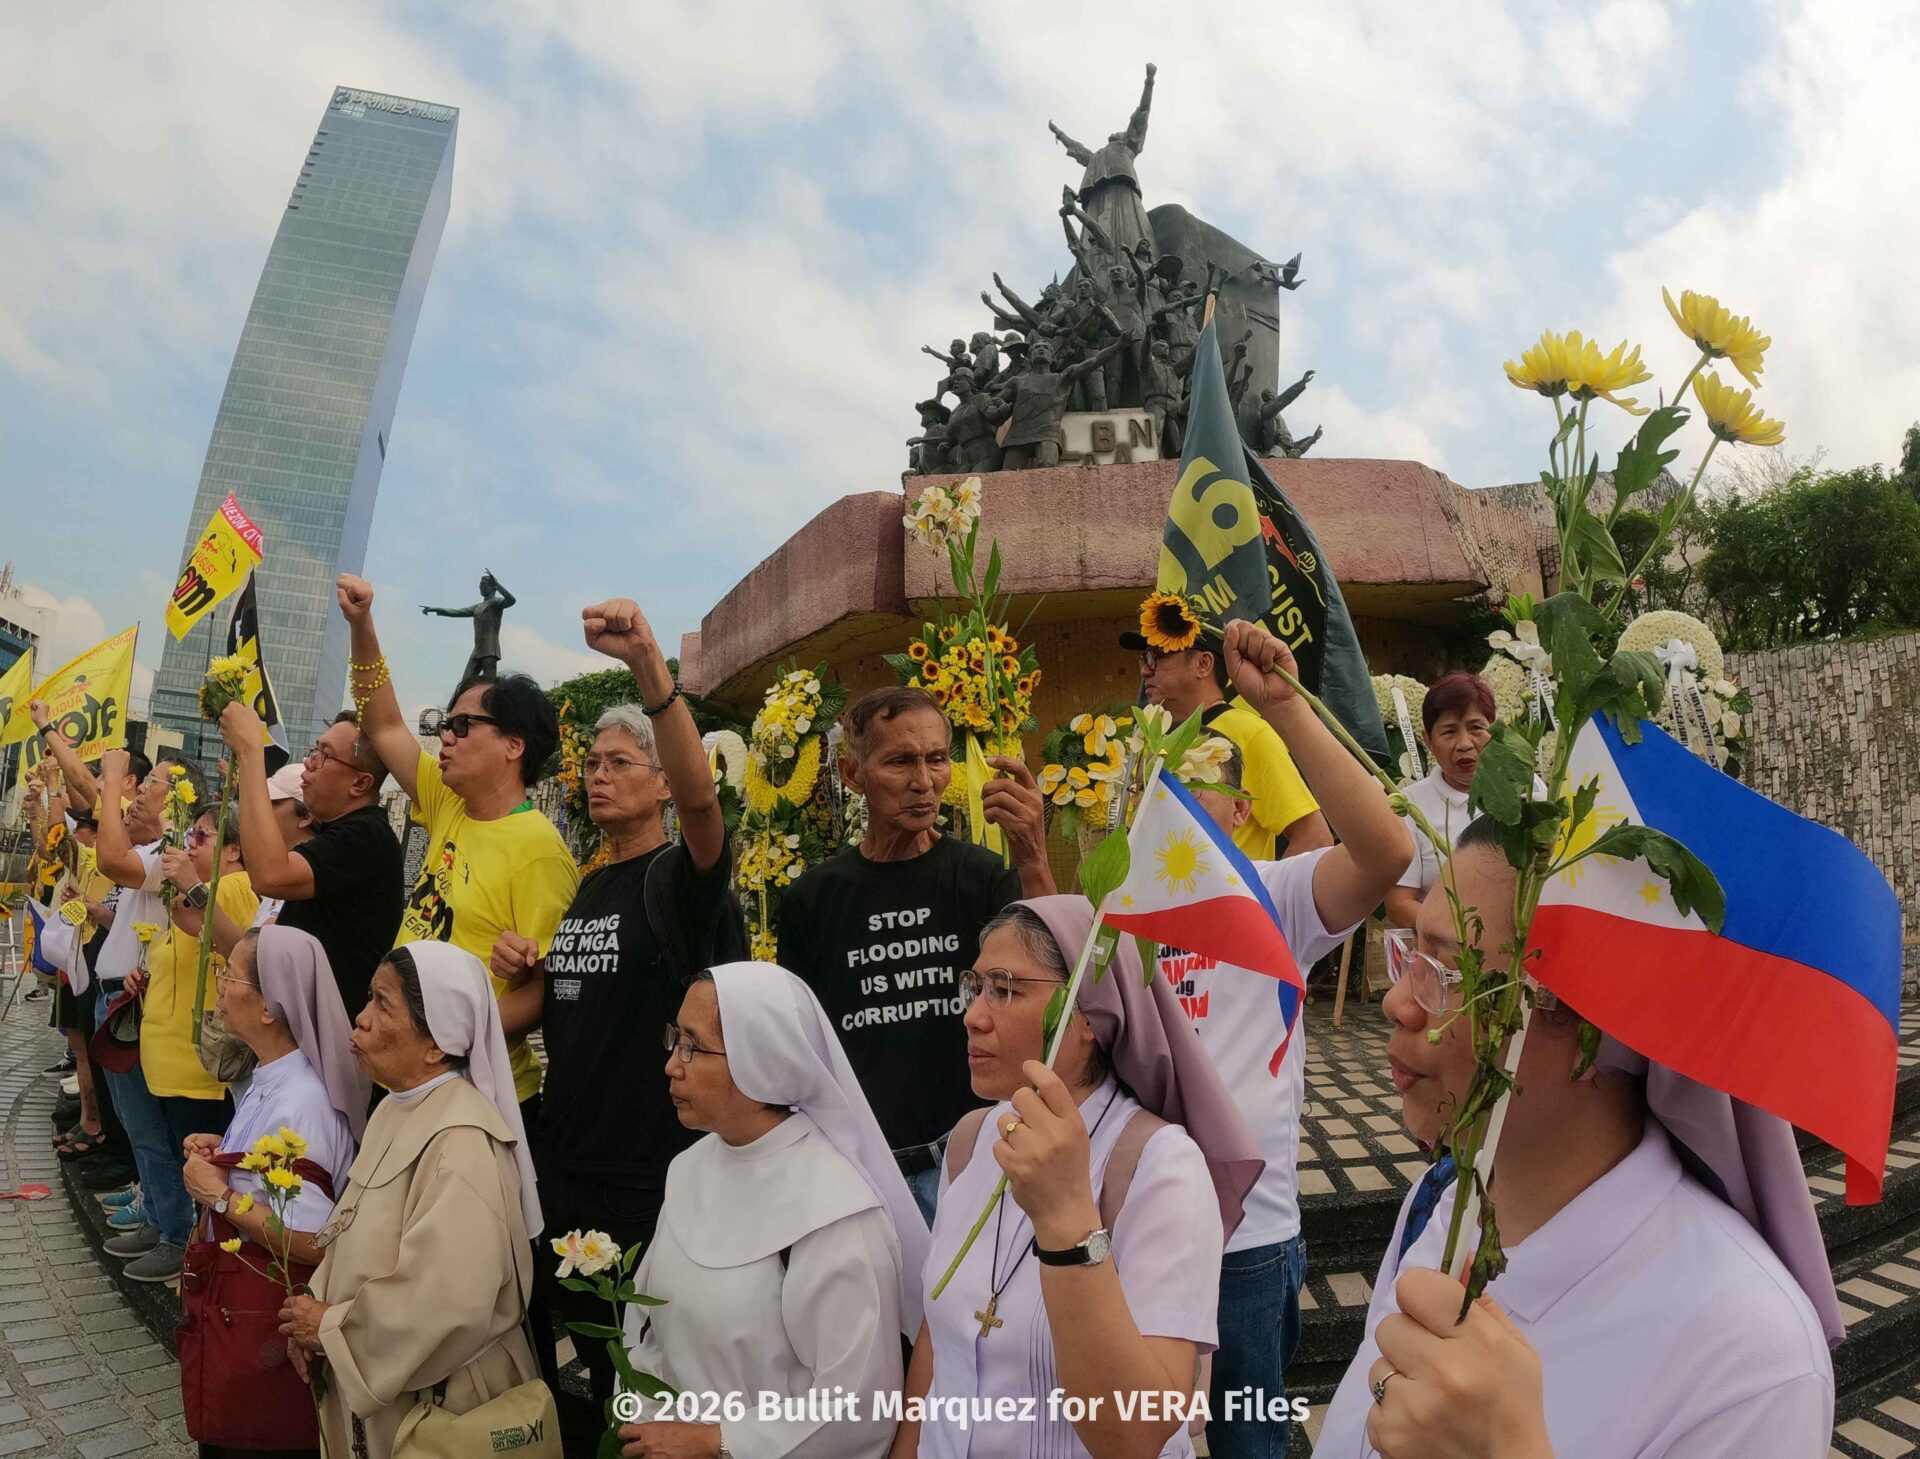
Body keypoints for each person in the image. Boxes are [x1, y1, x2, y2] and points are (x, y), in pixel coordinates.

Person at [1314, 815, 1838, 1458]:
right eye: (1410, 955)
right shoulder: (1445, 1200)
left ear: (1592, 1036)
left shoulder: (1747, 1359)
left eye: (1448, 974)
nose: (1397, 1003)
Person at [1156, 619, 1414, 1459]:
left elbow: (1383, 852)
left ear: (1241, 809)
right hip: (1152, 1226)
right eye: (1171, 794)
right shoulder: (1130, 913)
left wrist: (1288, 711)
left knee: (1249, 1445)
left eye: (1206, 793)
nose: (1187, 812)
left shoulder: (1279, 896)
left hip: (1248, 1243)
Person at [891, 894, 1263, 1459]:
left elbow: (1138, 1433)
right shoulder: (971, 1140)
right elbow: (940, 1337)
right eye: (975, 986)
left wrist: (1066, 1218)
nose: (973, 1014)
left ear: (1087, 1017)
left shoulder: (1158, 1166)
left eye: (1005, 989)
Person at [522, 598, 738, 1446]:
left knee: (643, 1387)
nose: (597, 774)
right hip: (570, 1170)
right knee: (595, 1374)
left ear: (659, 781)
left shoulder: (678, 878)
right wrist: (531, 965)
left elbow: (705, 807)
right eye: (593, 763)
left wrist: (650, 666)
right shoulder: (592, 881)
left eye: (620, 762)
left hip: (649, 1182)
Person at [617, 964, 926, 1459]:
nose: (672, 1065)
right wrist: (647, 1420)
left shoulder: (836, 1211)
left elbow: (856, 1409)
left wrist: (716, 1442)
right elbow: (645, 1325)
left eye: (693, 1046)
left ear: (758, 1060)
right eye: (675, 1039)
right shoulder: (688, 1169)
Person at [779, 685, 1053, 1221]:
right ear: (853, 773)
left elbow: (1053, 975)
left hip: (976, 1164)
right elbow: (804, 1048)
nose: (924, 783)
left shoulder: (982, 878)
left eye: (936, 759)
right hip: (864, 1174)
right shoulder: (811, 900)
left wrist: (1033, 856)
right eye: (900, 762)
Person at [279, 943, 544, 1459]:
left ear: (437, 1045)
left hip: (440, 1407)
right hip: (385, 1386)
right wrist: (310, 1320)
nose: (362, 1016)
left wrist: (331, 1329)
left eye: (382, 1003)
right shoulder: (398, 1108)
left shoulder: (462, 1140)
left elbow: (447, 1302)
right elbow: (353, 1229)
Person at [335, 573, 578, 1119]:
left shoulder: (539, 848)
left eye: (465, 725)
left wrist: (448, 1038)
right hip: (405, 1068)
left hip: (474, 1094)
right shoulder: (446, 802)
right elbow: (383, 722)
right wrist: (362, 624)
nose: (446, 735)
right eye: (447, 723)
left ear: (514, 745)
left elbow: (542, 991)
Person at [178, 926, 364, 1459]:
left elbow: (313, 1240)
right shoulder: (276, 1077)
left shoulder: (301, 1098)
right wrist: (229, 1154)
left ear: (268, 1008)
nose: (219, 985)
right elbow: (272, 1176)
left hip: (265, 1316)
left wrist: (220, 1196)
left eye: (229, 975)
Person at [92, 750, 224, 1283]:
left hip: (153, 1016)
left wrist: (105, 781)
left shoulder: (171, 859)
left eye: (150, 783)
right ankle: (159, 1218)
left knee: (154, 1132)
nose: (137, 789)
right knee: (142, 1127)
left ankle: (173, 1233)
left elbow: (108, 861)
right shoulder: (158, 852)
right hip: (131, 1001)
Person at [220, 700, 403, 1012]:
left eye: (324, 756)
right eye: (313, 751)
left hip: (324, 1047)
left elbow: (269, 876)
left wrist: (250, 751)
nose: (308, 764)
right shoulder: (342, 833)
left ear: (360, 783)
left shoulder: (365, 836)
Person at [1121, 617, 1330, 859]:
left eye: (1158, 655)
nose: (1145, 670)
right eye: (1143, 658)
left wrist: (1258, 896)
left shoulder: (1248, 731)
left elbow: (1314, 837)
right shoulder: (1149, 739)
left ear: (1203, 663)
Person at [1382, 671, 1544, 928]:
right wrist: (1461, 934)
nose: (1464, 744)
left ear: (1495, 730)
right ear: (1428, 741)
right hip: (1452, 956)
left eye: (1476, 728)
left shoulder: (1527, 787)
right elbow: (1400, 905)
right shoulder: (1410, 807)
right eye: (1449, 731)